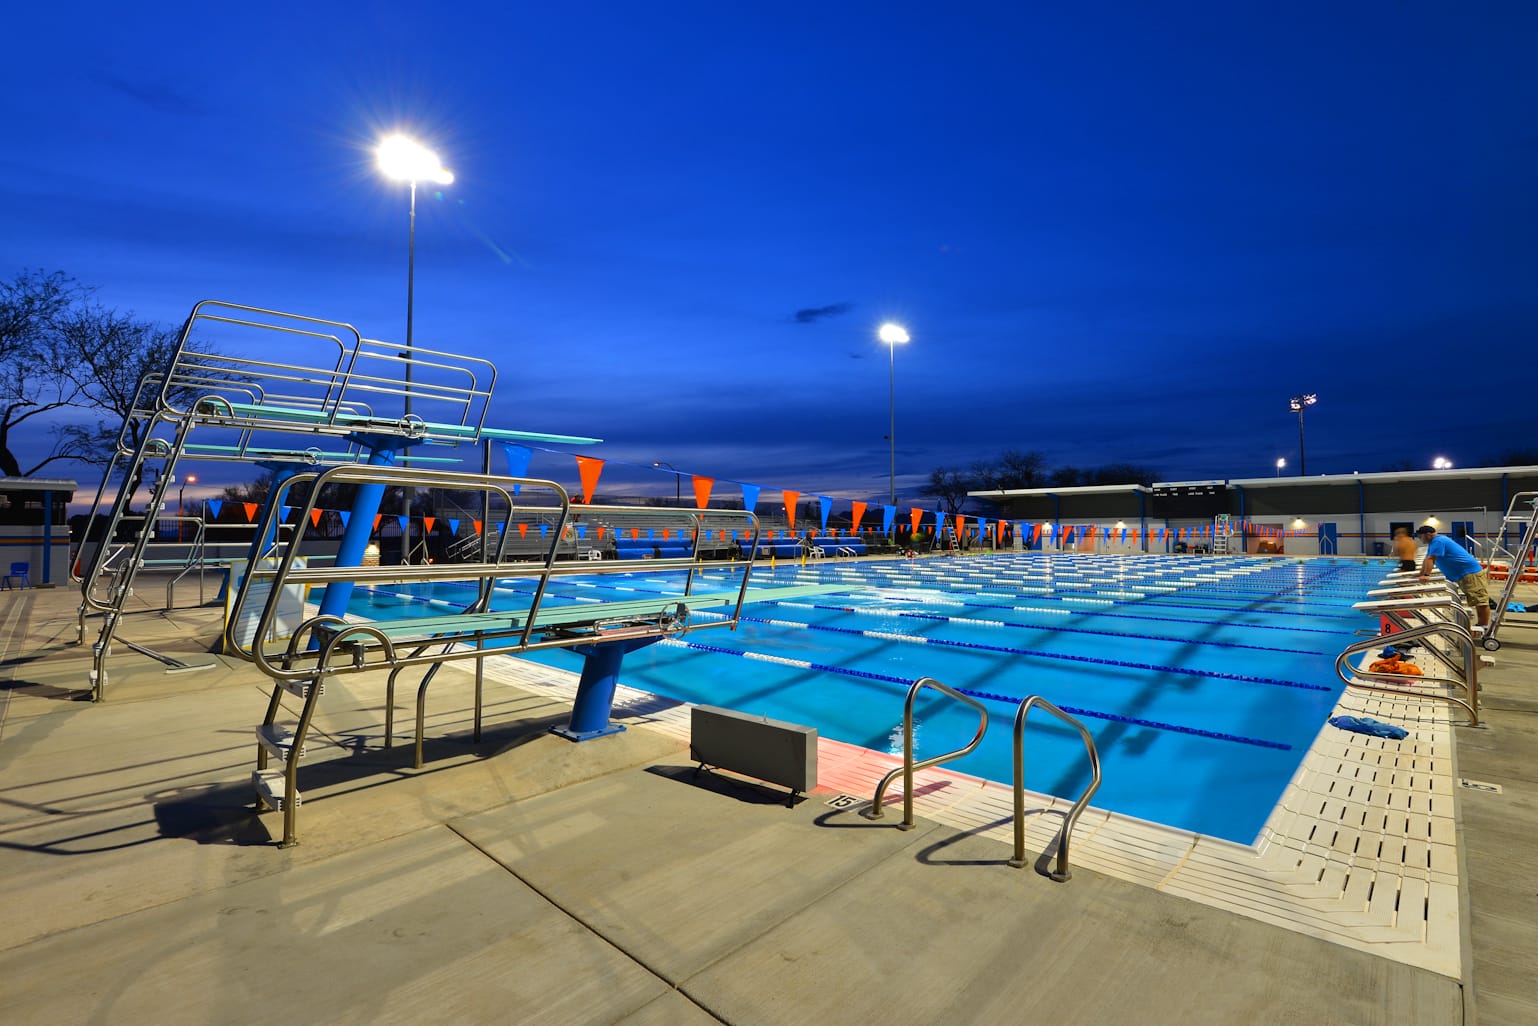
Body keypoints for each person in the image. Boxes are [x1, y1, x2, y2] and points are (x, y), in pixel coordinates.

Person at [1416, 524, 1491, 629]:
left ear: (1428, 535)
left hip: (1470, 573)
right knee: (1477, 601)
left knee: (1481, 602)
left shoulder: (1438, 541)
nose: (1420, 539)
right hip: (1465, 574)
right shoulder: (1435, 542)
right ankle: (1481, 625)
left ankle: (1484, 627)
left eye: (1420, 536)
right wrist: (1419, 574)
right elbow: (1426, 559)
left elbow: (1431, 559)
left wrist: (1426, 575)